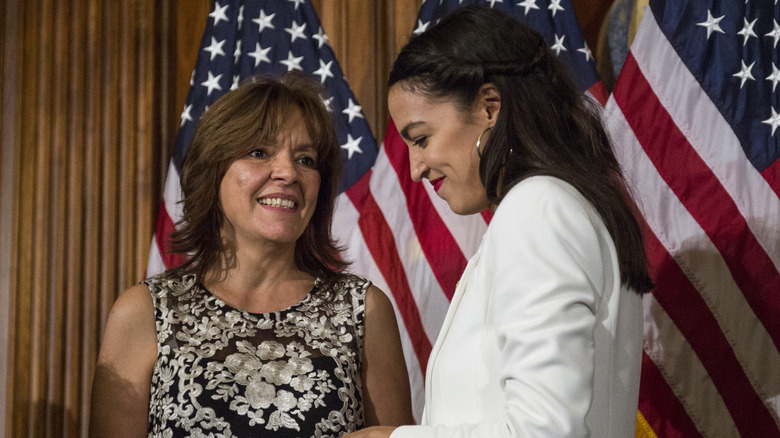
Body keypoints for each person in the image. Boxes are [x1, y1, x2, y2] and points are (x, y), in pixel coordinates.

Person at [348, 5, 653, 438]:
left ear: (490, 107)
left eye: (422, 138)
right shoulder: (552, 205)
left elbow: (544, 431)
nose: (415, 168)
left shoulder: (538, 208)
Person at [89, 72, 414, 437]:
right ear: (213, 170)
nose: (288, 172)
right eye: (259, 153)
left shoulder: (363, 310)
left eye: (306, 159)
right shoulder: (144, 312)